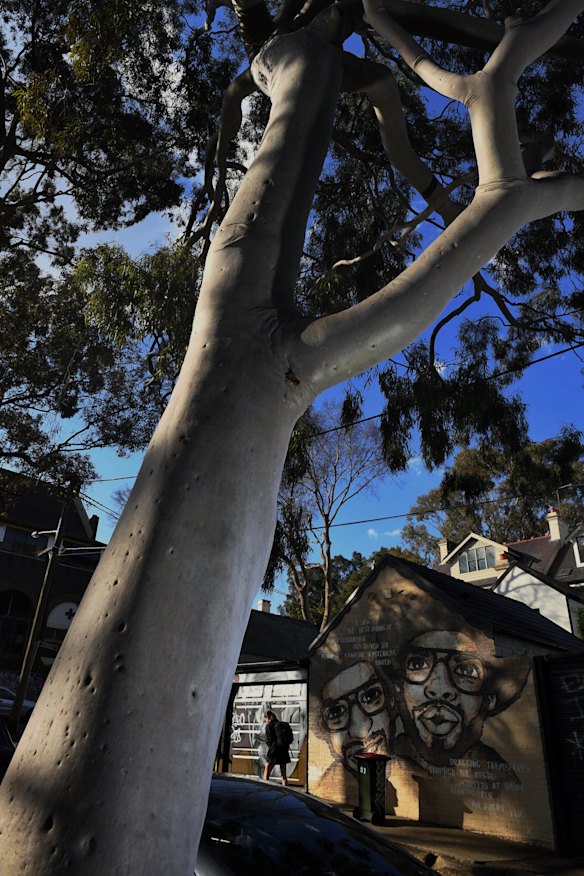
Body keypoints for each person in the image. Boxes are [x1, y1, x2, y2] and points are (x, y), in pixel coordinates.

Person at [263, 710, 291, 785]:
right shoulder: (282, 725)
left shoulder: (269, 726)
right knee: (284, 776)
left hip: (274, 752)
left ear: (267, 718)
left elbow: (268, 740)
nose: (265, 722)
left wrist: (272, 748)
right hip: (284, 751)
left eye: (265, 720)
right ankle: (286, 790)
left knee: (267, 772)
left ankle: (265, 788)